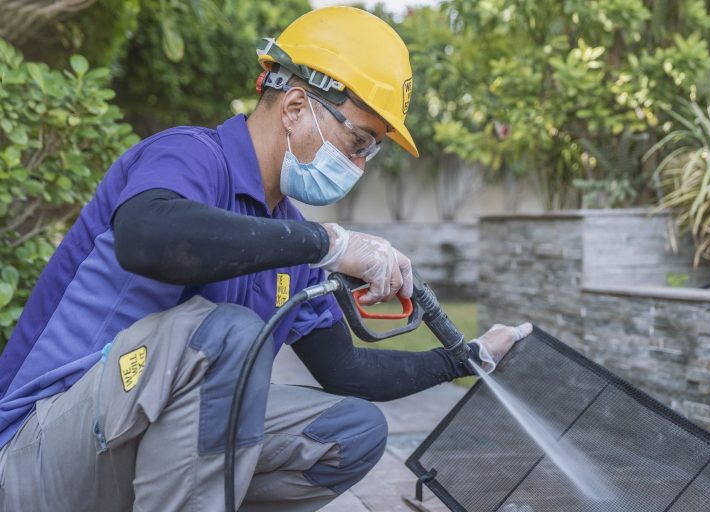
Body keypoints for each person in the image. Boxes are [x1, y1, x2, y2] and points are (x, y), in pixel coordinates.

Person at [0, 6, 531, 512]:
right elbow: (148, 238)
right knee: (223, 332)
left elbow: (349, 372)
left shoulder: (290, 235)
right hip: (37, 454)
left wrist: (469, 357)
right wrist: (332, 246)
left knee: (352, 430)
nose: (361, 164)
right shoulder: (189, 156)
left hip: (135, 464)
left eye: (372, 151)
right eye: (359, 141)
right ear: (296, 107)